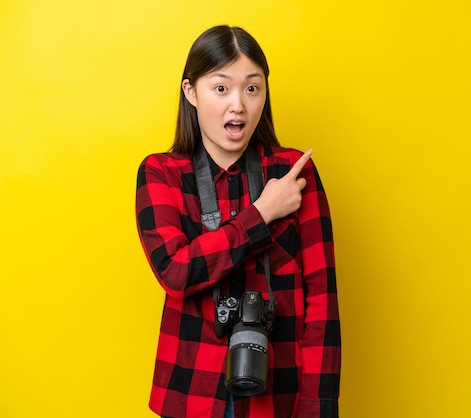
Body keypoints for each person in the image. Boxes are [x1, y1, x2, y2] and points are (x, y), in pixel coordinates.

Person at [135, 25, 341, 418]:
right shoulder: (161, 173)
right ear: (190, 92)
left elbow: (322, 299)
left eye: (252, 88)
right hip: (191, 390)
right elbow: (176, 271)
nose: (238, 106)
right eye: (221, 88)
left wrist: (318, 405)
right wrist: (263, 213)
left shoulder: (293, 173)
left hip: (279, 394)